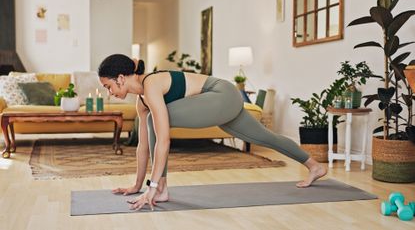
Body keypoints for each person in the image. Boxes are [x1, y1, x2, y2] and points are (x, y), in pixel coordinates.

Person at [98, 54, 327, 211]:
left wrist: (153, 187)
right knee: (266, 138)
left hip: (221, 94)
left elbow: (163, 139)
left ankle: (161, 189)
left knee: (156, 123)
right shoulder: (142, 101)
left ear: (120, 78)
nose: (109, 93)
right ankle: (315, 166)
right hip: (220, 101)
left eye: (108, 86)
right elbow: (143, 146)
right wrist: (137, 186)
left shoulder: (152, 84)